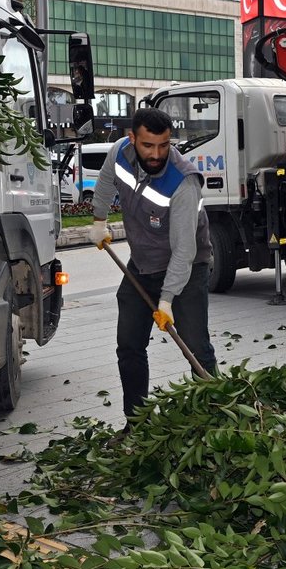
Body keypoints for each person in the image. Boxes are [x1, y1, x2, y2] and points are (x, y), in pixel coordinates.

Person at [89, 107, 218, 417]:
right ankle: (137, 423)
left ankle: (216, 419)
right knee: (129, 347)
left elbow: (184, 251)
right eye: (148, 145)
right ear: (132, 138)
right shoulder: (119, 153)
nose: (156, 153)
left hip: (187, 270)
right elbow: (106, 182)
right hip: (143, 264)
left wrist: (167, 300)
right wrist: (99, 220)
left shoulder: (183, 182)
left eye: (164, 145)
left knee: (196, 349)